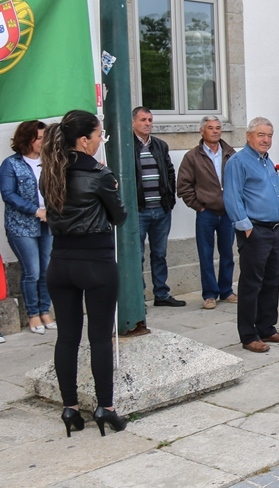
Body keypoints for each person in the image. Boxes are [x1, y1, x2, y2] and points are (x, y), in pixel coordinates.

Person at [40, 110, 128, 437]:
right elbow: (118, 216)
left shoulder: (50, 172)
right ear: (84, 139)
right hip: (96, 262)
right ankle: (106, 407)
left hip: (60, 262)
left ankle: (70, 409)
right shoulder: (99, 174)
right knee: (100, 337)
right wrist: (112, 184)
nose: (99, 140)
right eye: (98, 135)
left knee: (67, 338)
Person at [224, 118, 279, 353]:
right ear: (249, 136)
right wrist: (245, 227)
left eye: (269, 135)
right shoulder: (238, 162)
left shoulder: (266, 162)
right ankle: (249, 335)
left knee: (271, 280)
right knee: (251, 284)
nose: (266, 140)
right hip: (255, 230)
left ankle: (267, 327)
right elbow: (232, 196)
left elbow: (278, 188)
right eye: (261, 135)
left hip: (273, 229)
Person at [176, 116, 238, 310]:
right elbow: (183, 185)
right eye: (211, 128)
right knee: (206, 254)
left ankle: (226, 290)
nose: (215, 131)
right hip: (206, 213)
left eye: (218, 128)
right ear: (202, 131)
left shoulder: (230, 153)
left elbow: (239, 180)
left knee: (227, 253)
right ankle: (210, 294)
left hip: (228, 213)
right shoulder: (192, 156)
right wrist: (198, 206)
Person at [1, 120, 55, 334]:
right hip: (21, 225)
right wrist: (36, 211)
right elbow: (8, 194)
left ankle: (45, 311)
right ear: (28, 139)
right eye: (40, 138)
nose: (44, 142)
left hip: (48, 222)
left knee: (47, 270)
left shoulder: (48, 161)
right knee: (32, 271)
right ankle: (32, 315)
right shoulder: (11, 164)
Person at [132, 107, 183, 307]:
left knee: (159, 253)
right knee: (137, 255)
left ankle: (161, 294)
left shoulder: (160, 146)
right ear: (134, 122)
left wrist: (169, 199)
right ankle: (138, 297)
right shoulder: (127, 146)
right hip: (139, 210)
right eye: (143, 119)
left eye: (150, 120)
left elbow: (170, 172)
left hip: (161, 209)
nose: (147, 123)